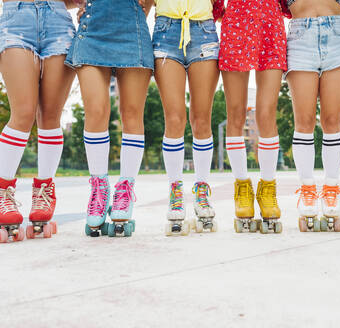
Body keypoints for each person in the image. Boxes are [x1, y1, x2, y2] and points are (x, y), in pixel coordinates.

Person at [65, 0, 154, 237]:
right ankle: (99, 188)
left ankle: (125, 189)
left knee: (132, 112)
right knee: (95, 110)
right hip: (92, 29)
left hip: (132, 27)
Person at [0, 0, 78, 243]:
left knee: (50, 115)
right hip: (16, 17)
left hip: (58, 19)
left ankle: (43, 191)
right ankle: (3, 191)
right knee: (23, 112)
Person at [281, 0, 340, 232]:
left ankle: (331, 190)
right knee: (304, 121)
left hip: (337, 34)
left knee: (332, 120)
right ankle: (308, 191)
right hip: (300, 34)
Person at [152, 0, 224, 235]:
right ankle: (175, 192)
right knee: (174, 118)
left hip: (204, 30)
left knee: (201, 119)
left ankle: (202, 191)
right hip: (165, 32)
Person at [216, 0, 286, 234]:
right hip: (237, 23)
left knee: (267, 113)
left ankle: (267, 188)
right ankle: (243, 187)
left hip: (271, 26)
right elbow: (215, 6)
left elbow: (288, 6)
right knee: (236, 112)